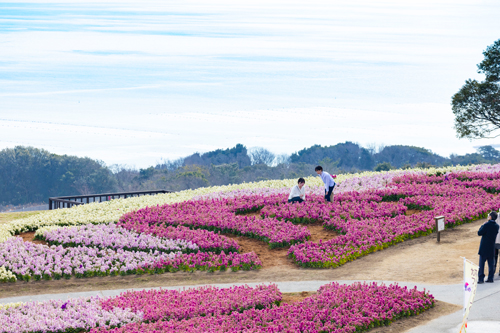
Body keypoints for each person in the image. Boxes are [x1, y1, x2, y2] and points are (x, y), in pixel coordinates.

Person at [477, 211, 500, 283]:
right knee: (491, 264)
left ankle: (481, 279)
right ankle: (490, 278)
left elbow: (479, 233)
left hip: (484, 247)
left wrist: (483, 225)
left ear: (490, 217)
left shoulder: (486, 225)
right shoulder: (497, 226)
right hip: (491, 246)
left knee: (482, 264)